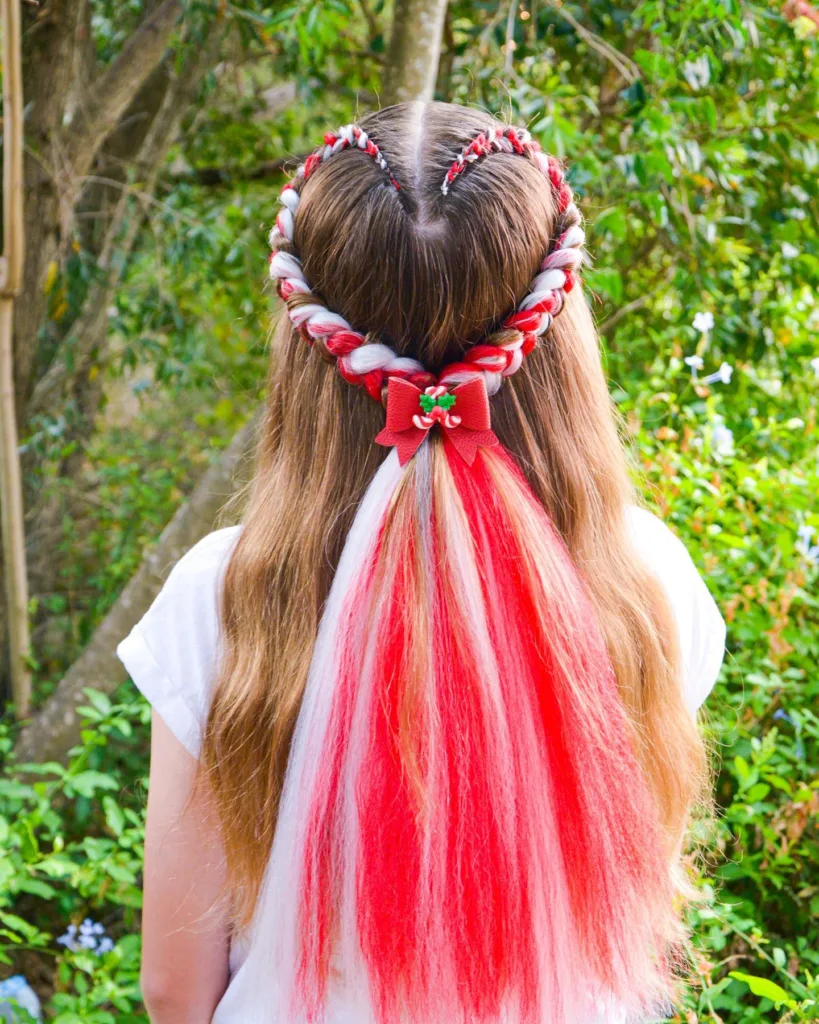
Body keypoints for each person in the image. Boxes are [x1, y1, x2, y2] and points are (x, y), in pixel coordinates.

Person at [117, 101, 726, 1024]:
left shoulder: (226, 593)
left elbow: (174, 985)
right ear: (557, 338)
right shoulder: (644, 580)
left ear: (306, 339)